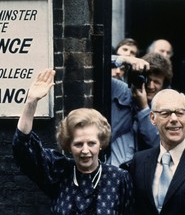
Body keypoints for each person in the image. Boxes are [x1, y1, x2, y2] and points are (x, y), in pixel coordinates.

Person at [12, 69, 134, 214]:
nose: (85, 150)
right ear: (68, 145)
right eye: (78, 144)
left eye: (91, 143)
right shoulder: (59, 171)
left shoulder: (119, 178)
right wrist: (31, 102)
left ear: (101, 143)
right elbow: (23, 149)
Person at [107, 53, 173, 169]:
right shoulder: (122, 90)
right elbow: (94, 64)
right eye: (148, 80)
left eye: (156, 82)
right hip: (111, 170)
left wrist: (144, 108)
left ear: (164, 86)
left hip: (142, 174)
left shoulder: (166, 108)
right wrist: (124, 59)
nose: (151, 86)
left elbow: (156, 143)